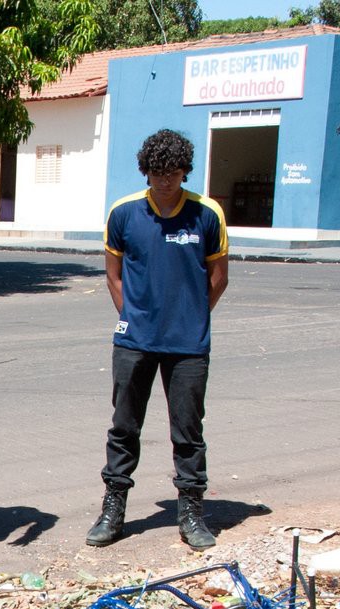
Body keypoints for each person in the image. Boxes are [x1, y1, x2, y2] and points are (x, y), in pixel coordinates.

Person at [87, 128, 229, 551]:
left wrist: (189, 318)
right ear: (145, 171)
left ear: (185, 171)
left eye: (173, 172)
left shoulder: (207, 214)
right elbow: (113, 274)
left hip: (188, 344)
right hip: (135, 342)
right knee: (123, 427)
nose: (164, 180)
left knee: (188, 430)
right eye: (156, 172)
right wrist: (131, 317)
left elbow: (218, 278)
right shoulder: (125, 213)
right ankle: (113, 509)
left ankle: (191, 511)